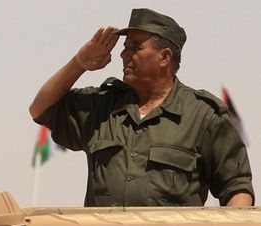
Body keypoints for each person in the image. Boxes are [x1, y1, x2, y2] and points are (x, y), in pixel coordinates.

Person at [29, 8, 253, 207]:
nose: (123, 55)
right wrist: (80, 63)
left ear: (164, 57)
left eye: (135, 48)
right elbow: (40, 109)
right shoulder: (103, 106)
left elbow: (236, 189)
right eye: (125, 48)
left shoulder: (203, 115)